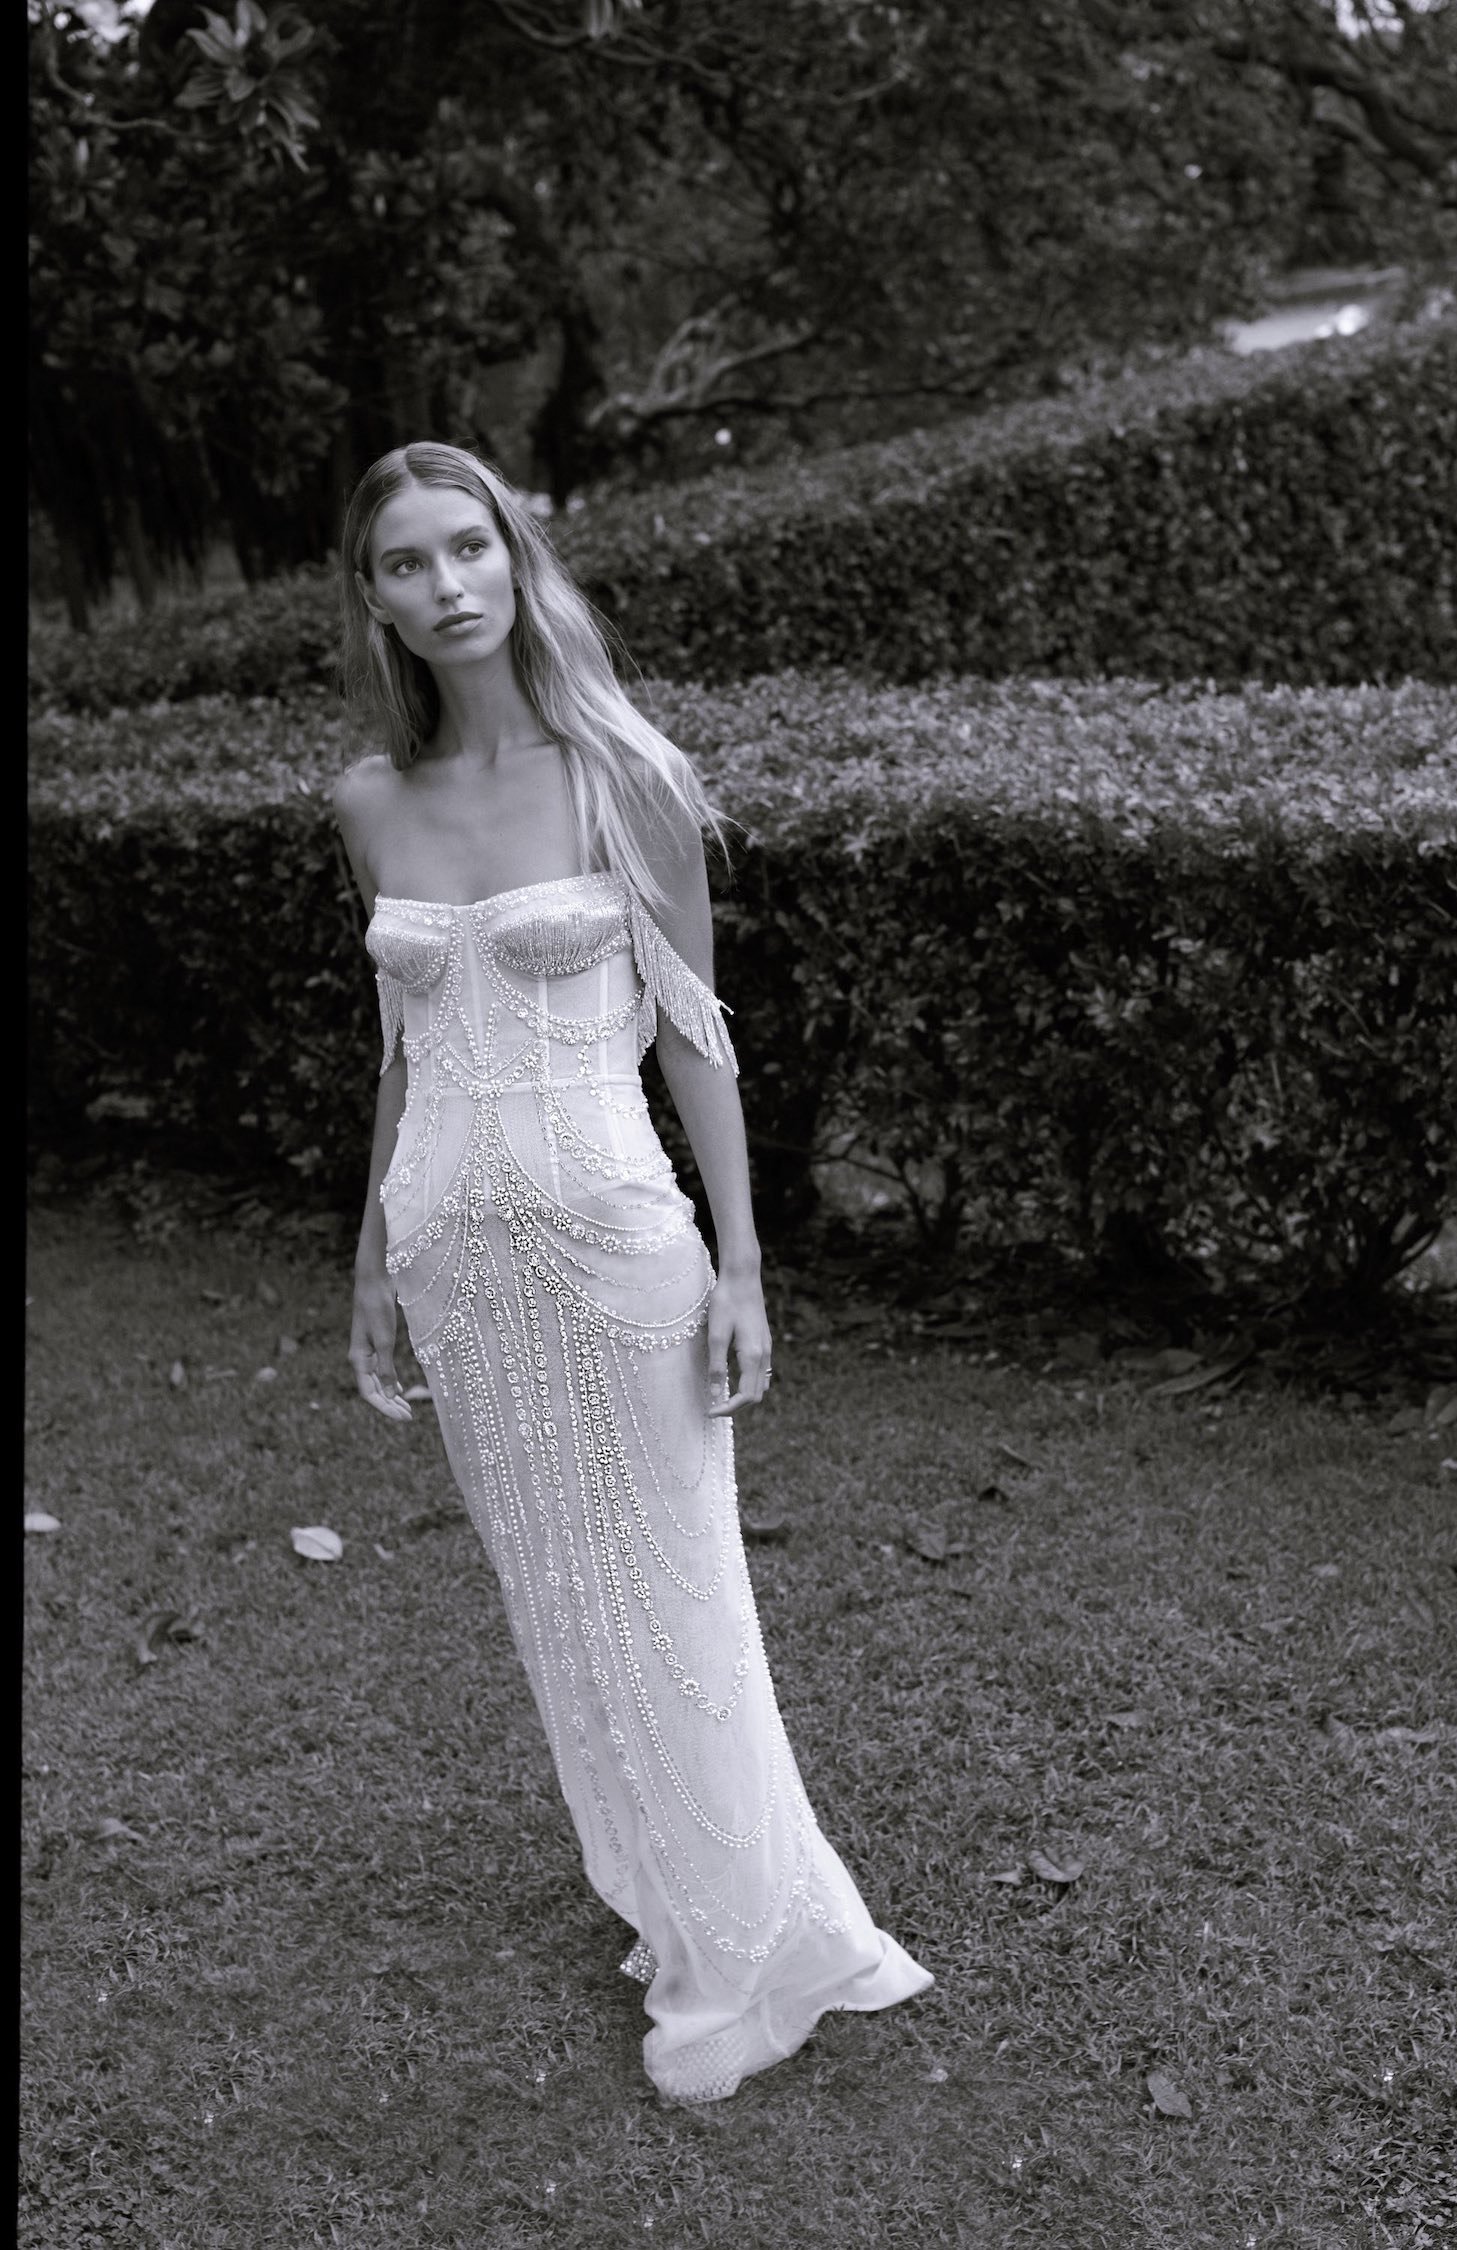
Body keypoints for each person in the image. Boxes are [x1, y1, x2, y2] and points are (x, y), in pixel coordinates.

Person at [331, 441, 932, 2104]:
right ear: (373, 599)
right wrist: (370, 1257)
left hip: (613, 1243)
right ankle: (673, 1900)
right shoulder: (369, 802)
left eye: (468, 546)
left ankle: (757, 1953)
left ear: (517, 558)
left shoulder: (628, 774)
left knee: (676, 1590)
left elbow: (694, 1034)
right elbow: (402, 1045)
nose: (446, 584)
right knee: (560, 1600)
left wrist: (743, 1266)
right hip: (455, 1254)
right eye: (405, 562)